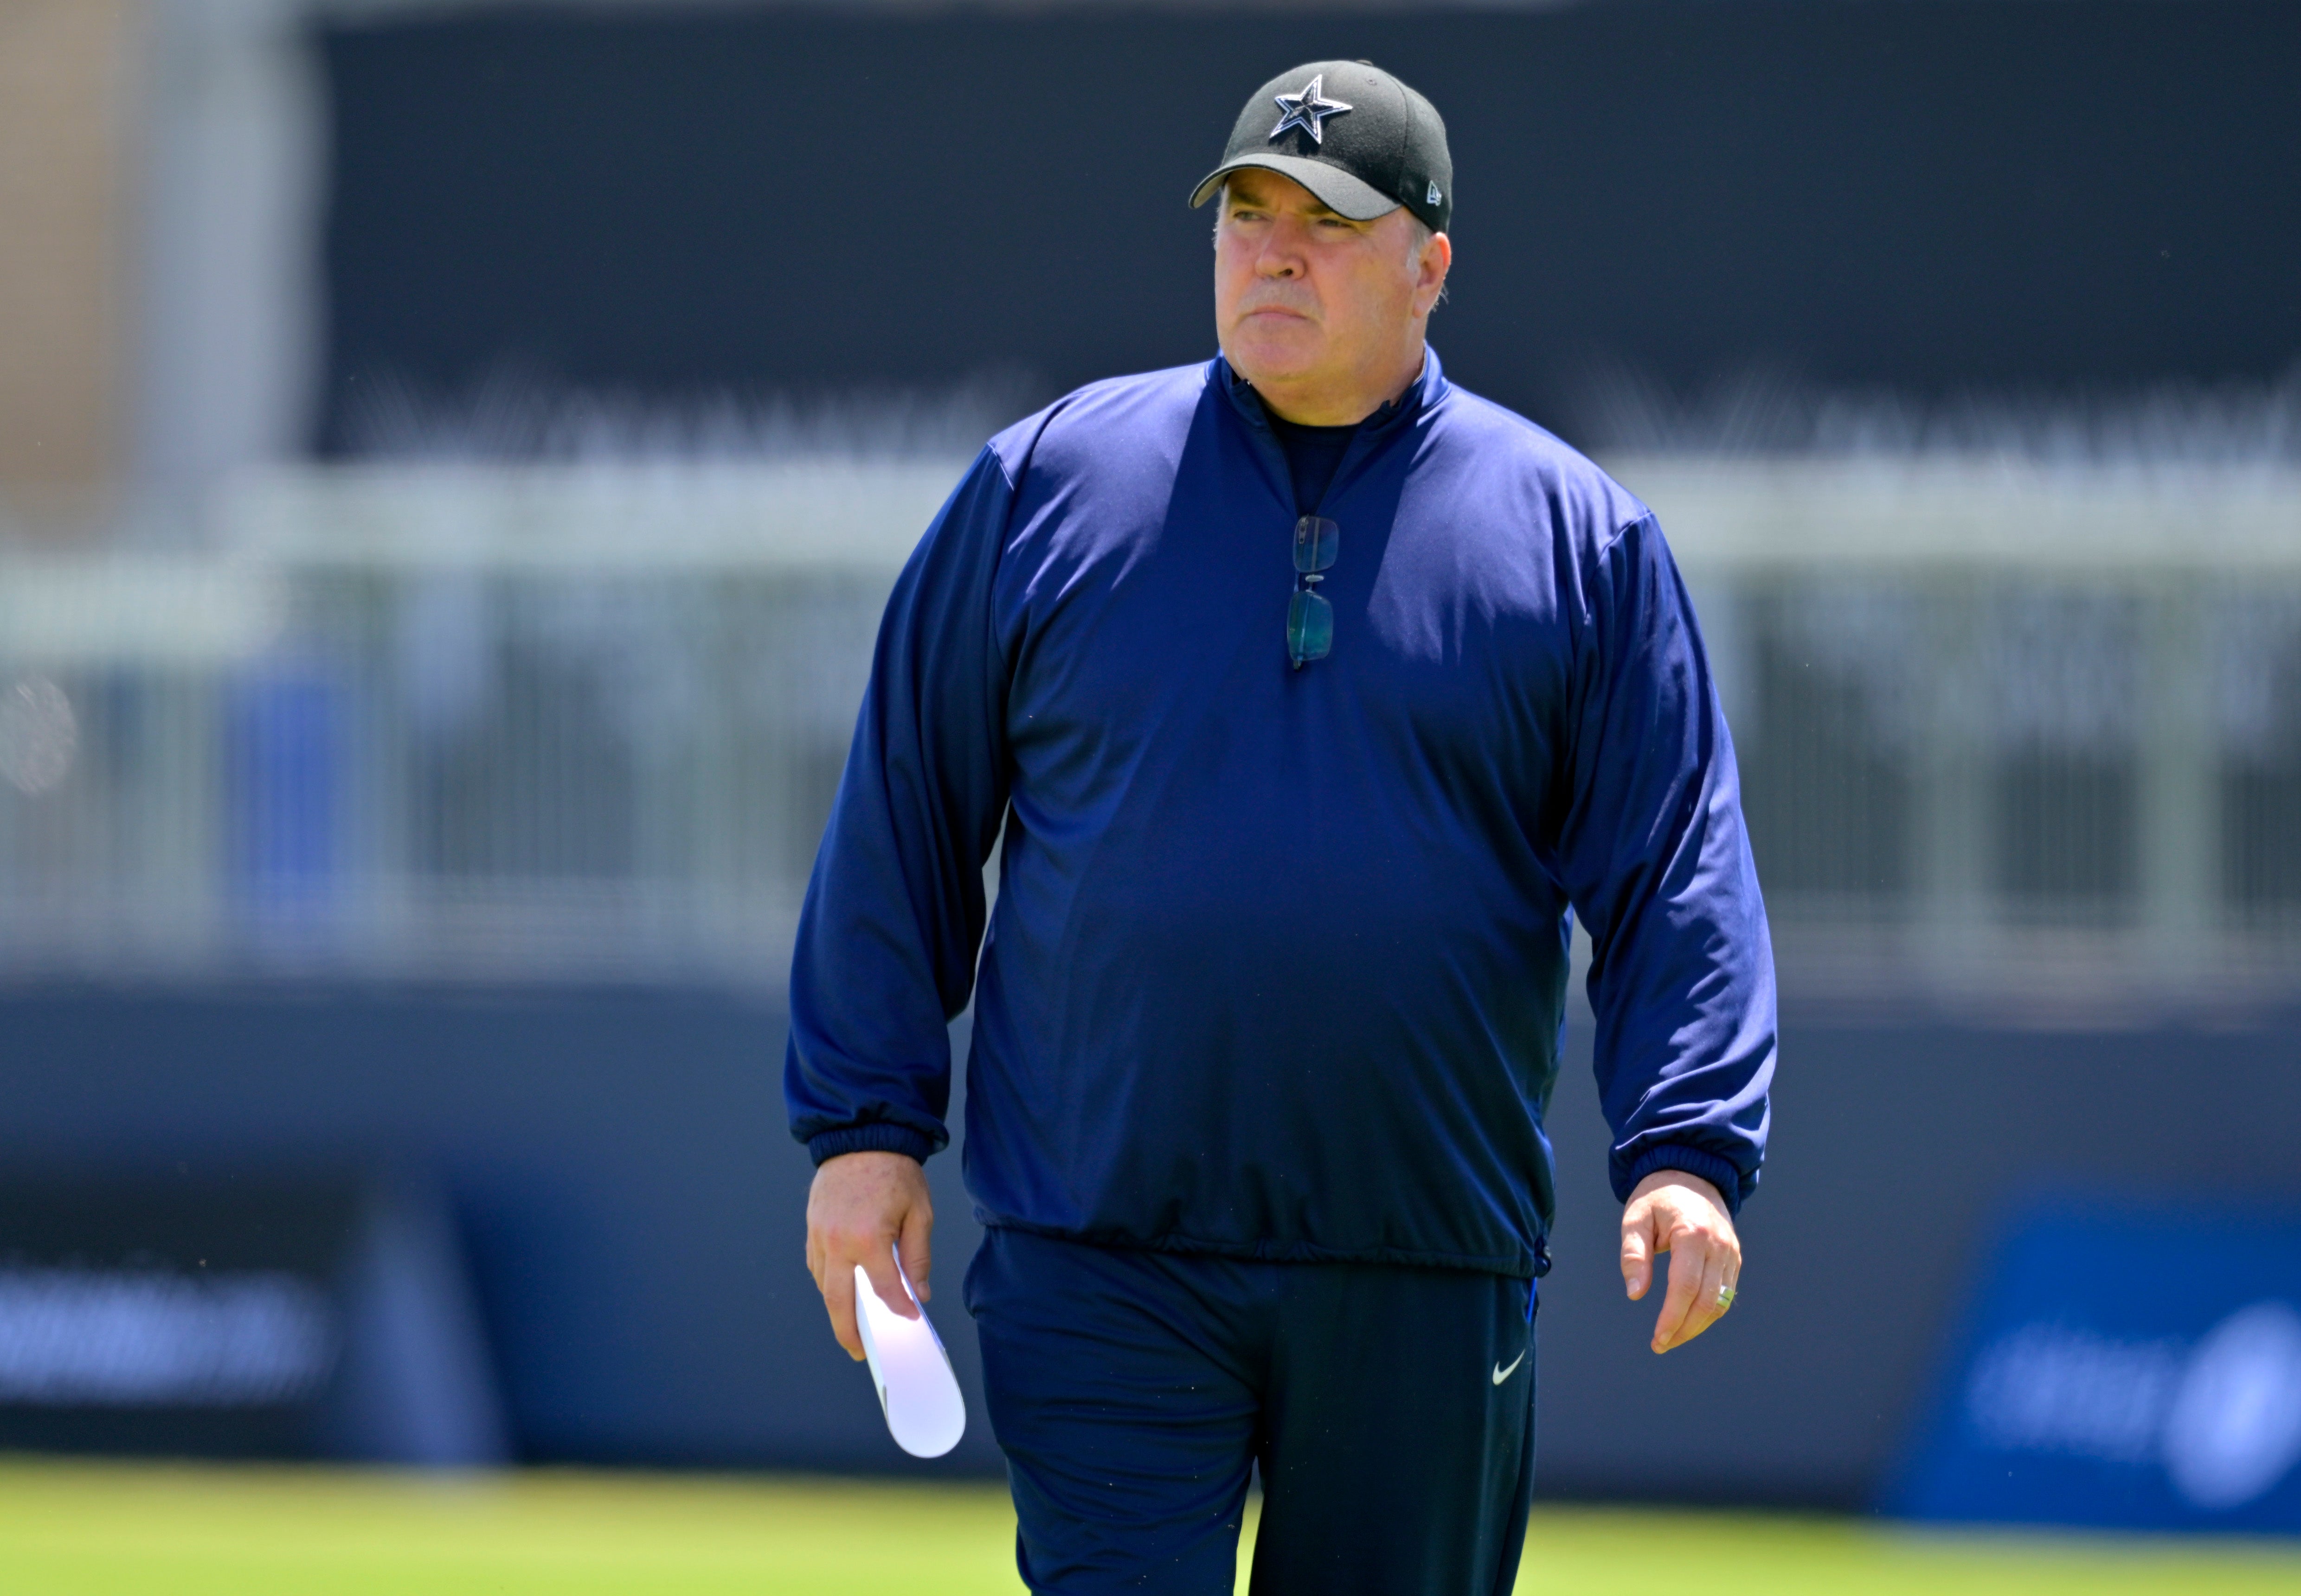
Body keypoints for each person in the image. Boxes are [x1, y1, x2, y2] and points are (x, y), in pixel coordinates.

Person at [787, 58, 1775, 1595]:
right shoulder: (1046, 486)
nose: (1274, 250)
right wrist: (864, 1129)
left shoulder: (1579, 541)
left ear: (1431, 265)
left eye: (1328, 219)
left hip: (1423, 1266)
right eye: (1247, 214)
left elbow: (1674, 873)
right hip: (1104, 1246)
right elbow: (903, 810)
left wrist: (1690, 1149)